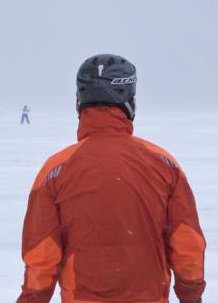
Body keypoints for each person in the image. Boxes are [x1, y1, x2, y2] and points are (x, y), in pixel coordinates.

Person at [17, 54, 205, 303]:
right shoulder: (164, 164)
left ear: (79, 102)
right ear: (129, 101)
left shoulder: (55, 170)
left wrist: (33, 298)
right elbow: (187, 243)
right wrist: (191, 295)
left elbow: (41, 253)